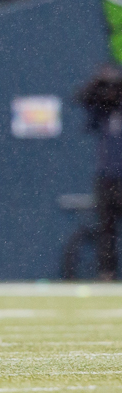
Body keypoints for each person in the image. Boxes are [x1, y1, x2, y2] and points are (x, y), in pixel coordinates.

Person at [78, 64, 122, 280]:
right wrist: (99, 83)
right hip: (107, 178)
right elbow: (81, 97)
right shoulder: (102, 110)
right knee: (106, 229)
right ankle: (107, 273)